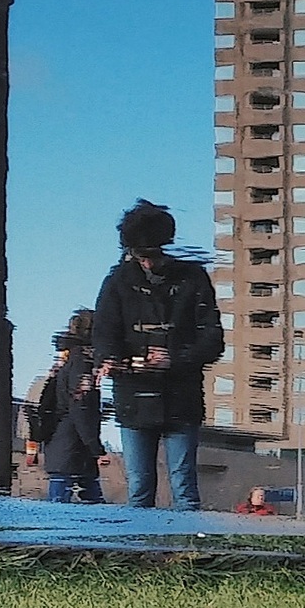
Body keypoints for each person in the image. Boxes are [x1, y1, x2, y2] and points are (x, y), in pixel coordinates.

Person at [93, 201, 225, 510]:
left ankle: (188, 552)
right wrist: (109, 358)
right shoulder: (116, 284)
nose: (148, 264)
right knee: (139, 487)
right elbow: (103, 333)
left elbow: (214, 339)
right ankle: (138, 552)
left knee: (184, 485)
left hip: (181, 399)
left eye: (153, 255)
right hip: (133, 397)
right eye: (141, 257)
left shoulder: (193, 279)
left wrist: (174, 358)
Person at [24, 312, 108, 503]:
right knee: (91, 507)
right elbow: (82, 407)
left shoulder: (64, 361)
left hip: (59, 445)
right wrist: (96, 448)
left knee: (61, 504)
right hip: (75, 448)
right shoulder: (83, 363)